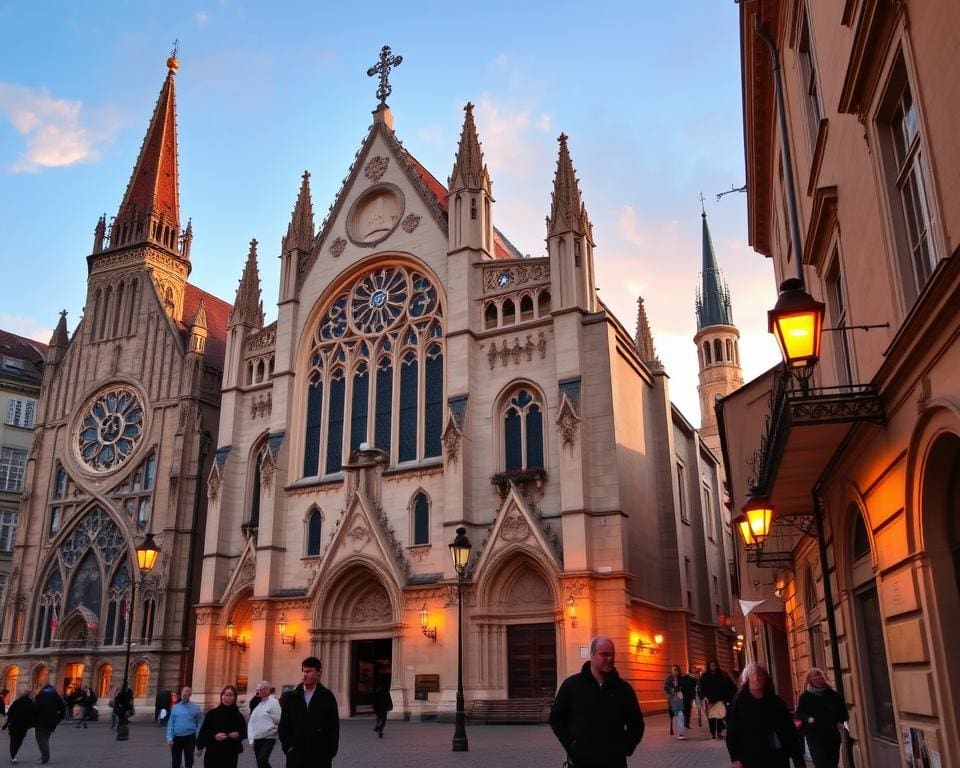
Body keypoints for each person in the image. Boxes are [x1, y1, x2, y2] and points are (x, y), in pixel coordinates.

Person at [549, 636, 645, 768]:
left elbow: (637, 722)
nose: (610, 659)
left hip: (614, 763)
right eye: (604, 654)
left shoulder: (623, 689)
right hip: (581, 763)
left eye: (612, 655)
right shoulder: (572, 685)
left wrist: (627, 746)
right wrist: (571, 745)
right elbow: (556, 718)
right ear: (592, 655)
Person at [725, 663, 804, 768]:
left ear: (765, 679)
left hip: (776, 756)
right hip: (750, 757)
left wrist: (798, 759)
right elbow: (732, 733)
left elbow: (789, 731)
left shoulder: (776, 702)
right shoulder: (738, 704)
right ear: (747, 679)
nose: (756, 679)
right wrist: (735, 758)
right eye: (752, 676)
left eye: (759, 675)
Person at [278, 657, 340, 768]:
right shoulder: (291, 697)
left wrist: (330, 752)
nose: (304, 675)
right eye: (303, 671)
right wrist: (288, 748)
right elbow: (283, 725)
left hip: (320, 757)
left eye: (309, 671)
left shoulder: (327, 696)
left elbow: (333, 726)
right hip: (296, 756)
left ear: (318, 673)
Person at [795, 667, 849, 768]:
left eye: (820, 676)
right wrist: (808, 718)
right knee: (821, 764)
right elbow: (799, 714)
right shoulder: (805, 697)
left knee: (832, 764)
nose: (818, 679)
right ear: (810, 680)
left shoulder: (833, 695)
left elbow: (843, 714)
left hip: (832, 737)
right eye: (815, 677)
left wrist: (839, 720)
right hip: (815, 738)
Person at [196, 685, 246, 768]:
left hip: (230, 753)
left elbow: (244, 731)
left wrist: (238, 734)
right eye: (226, 695)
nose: (228, 697)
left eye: (231, 695)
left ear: (235, 697)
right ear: (222, 696)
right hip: (213, 752)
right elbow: (204, 732)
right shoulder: (212, 713)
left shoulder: (238, 715)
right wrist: (214, 737)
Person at [699, 659, 737, 739]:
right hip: (710, 700)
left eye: (714, 665)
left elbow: (729, 686)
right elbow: (701, 688)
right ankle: (713, 733)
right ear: (709, 666)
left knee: (720, 716)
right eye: (711, 665)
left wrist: (729, 697)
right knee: (712, 717)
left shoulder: (722, 675)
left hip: (720, 699)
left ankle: (718, 732)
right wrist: (704, 697)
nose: (713, 667)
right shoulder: (705, 676)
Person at [167, 686, 203, 768]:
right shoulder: (175, 707)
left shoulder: (196, 708)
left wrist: (197, 735)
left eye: (187, 692)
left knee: (189, 760)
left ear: (190, 695)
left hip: (190, 737)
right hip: (176, 737)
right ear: (181, 693)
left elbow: (200, 722)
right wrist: (169, 738)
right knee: (176, 761)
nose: (184, 694)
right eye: (183, 692)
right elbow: (171, 723)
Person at [247, 681, 281, 768]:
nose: (257, 692)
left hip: (268, 738)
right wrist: (251, 739)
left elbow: (279, 719)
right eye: (257, 690)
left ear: (266, 689)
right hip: (257, 738)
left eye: (259, 690)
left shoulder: (274, 703)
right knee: (260, 763)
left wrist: (274, 730)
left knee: (262, 760)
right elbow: (251, 722)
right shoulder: (258, 705)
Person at [33, 682, 65, 765]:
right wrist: (58, 719)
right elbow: (62, 709)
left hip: (41, 721)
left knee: (41, 740)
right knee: (46, 739)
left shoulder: (41, 695)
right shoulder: (56, 695)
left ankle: (45, 758)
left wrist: (34, 720)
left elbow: (36, 709)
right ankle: (43, 755)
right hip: (52, 722)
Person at [3, 687, 36, 764]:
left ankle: (13, 756)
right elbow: (34, 715)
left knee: (13, 740)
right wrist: (32, 724)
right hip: (24, 726)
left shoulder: (16, 702)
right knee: (19, 741)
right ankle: (14, 754)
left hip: (14, 725)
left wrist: (6, 724)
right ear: (29, 694)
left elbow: (10, 713)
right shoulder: (31, 703)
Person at [663, 664, 687, 739]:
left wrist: (678, 689)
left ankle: (681, 733)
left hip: (680, 697)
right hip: (672, 698)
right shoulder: (668, 679)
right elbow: (666, 688)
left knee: (680, 713)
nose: (675, 671)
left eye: (676, 669)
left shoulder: (682, 678)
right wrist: (671, 690)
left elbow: (684, 686)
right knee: (675, 714)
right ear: (672, 670)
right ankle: (676, 730)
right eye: (674, 669)